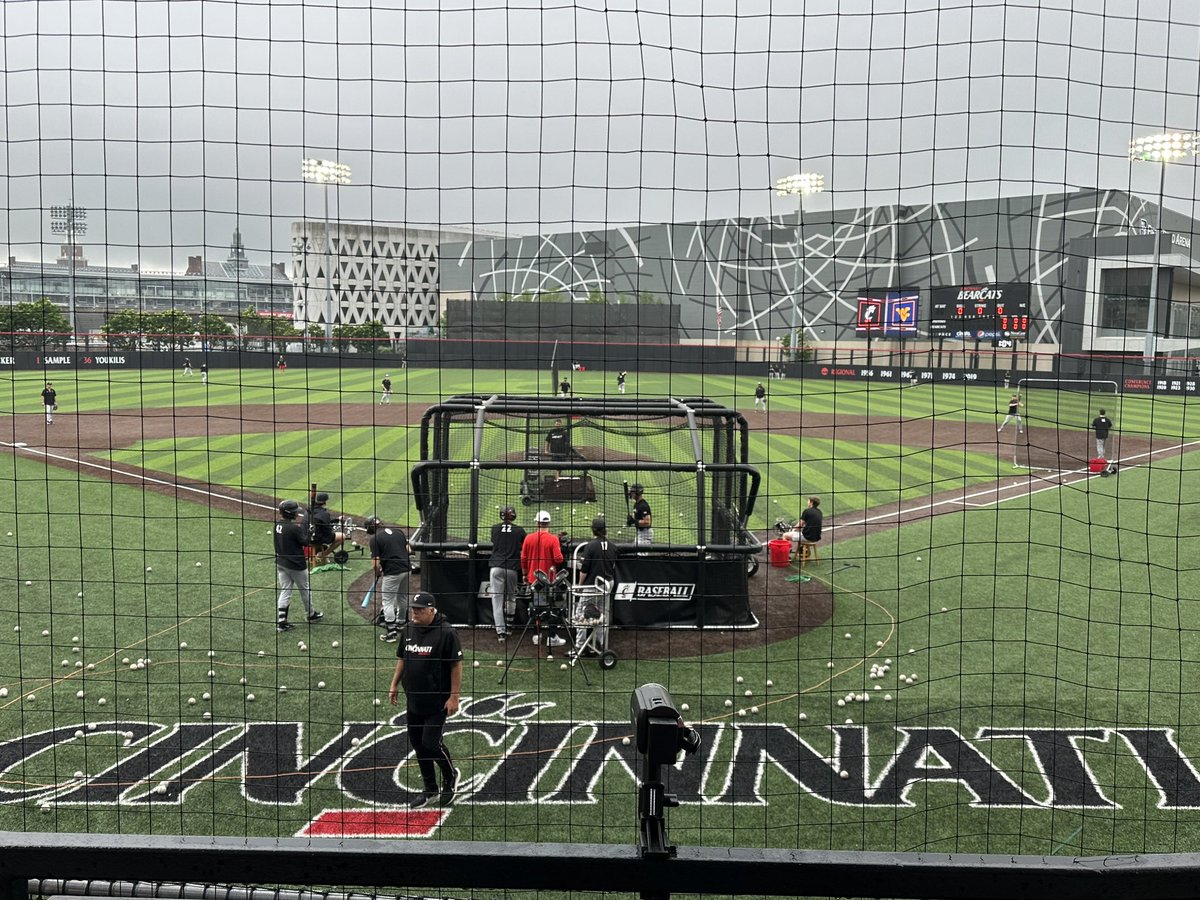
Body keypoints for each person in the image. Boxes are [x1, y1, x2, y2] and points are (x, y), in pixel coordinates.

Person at [387, 592, 462, 808]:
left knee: (431, 744)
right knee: (418, 745)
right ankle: (430, 789)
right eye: (413, 609)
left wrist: (454, 697)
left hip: (437, 702)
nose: (415, 612)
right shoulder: (409, 629)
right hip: (414, 700)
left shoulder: (447, 632)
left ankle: (450, 776)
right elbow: (403, 658)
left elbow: (456, 665)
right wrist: (394, 684)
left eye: (419, 610)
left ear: (432, 610)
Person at [274, 500, 322, 632]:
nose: (297, 514)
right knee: (304, 589)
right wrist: (310, 532)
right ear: (290, 514)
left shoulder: (277, 525)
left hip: (281, 563)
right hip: (296, 565)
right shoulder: (293, 528)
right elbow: (305, 542)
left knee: (285, 591)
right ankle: (310, 614)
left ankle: (282, 622)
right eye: (295, 512)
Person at [520, 510, 565, 647]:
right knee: (553, 608)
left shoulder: (529, 538)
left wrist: (524, 574)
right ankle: (552, 637)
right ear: (548, 523)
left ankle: (536, 635)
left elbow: (523, 558)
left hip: (534, 579)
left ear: (537, 523)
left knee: (536, 607)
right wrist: (557, 545)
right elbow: (558, 559)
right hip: (550, 581)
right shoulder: (553, 539)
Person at [367, 516, 412, 643]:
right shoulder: (398, 532)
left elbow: (375, 563)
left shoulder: (375, 539)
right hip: (407, 569)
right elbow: (409, 550)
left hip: (392, 572)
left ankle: (391, 632)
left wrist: (377, 572)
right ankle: (401, 623)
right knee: (402, 597)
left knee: (387, 601)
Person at [576, 516, 618, 653]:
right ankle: (600, 644)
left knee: (581, 613)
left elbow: (584, 570)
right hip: (607, 584)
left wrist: (579, 586)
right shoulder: (613, 546)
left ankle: (579, 646)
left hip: (592, 586)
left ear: (593, 530)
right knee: (601, 614)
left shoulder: (590, 546)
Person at [488, 505, 526, 641]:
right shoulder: (519, 530)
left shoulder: (494, 528)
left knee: (497, 601)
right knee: (511, 598)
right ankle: (509, 627)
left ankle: (501, 633)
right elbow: (524, 545)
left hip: (496, 567)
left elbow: (494, 542)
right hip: (512, 568)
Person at [309, 492, 345, 567]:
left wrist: (336, 520)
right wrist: (332, 528)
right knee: (342, 536)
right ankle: (323, 554)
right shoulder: (324, 513)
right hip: (317, 539)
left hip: (306, 537)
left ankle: (321, 554)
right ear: (325, 502)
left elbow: (319, 521)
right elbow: (328, 532)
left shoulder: (308, 510)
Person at [787, 496, 823, 566]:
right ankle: (805, 554)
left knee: (785, 536)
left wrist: (792, 530)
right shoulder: (819, 512)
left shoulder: (807, 511)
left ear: (811, 502)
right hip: (816, 537)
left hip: (807, 538)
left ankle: (786, 557)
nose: (807, 502)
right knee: (801, 534)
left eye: (808, 501)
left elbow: (800, 524)